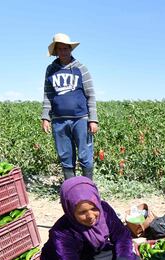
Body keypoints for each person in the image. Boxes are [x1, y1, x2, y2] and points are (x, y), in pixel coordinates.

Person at [41, 33, 98, 179]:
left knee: (85, 155)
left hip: (81, 119)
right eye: (60, 49)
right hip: (59, 120)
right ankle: (71, 189)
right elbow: (48, 94)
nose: (63, 51)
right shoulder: (51, 70)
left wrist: (93, 119)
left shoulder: (81, 68)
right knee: (65, 156)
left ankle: (87, 187)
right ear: (56, 52)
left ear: (70, 49)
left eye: (66, 48)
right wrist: (45, 117)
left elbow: (90, 94)